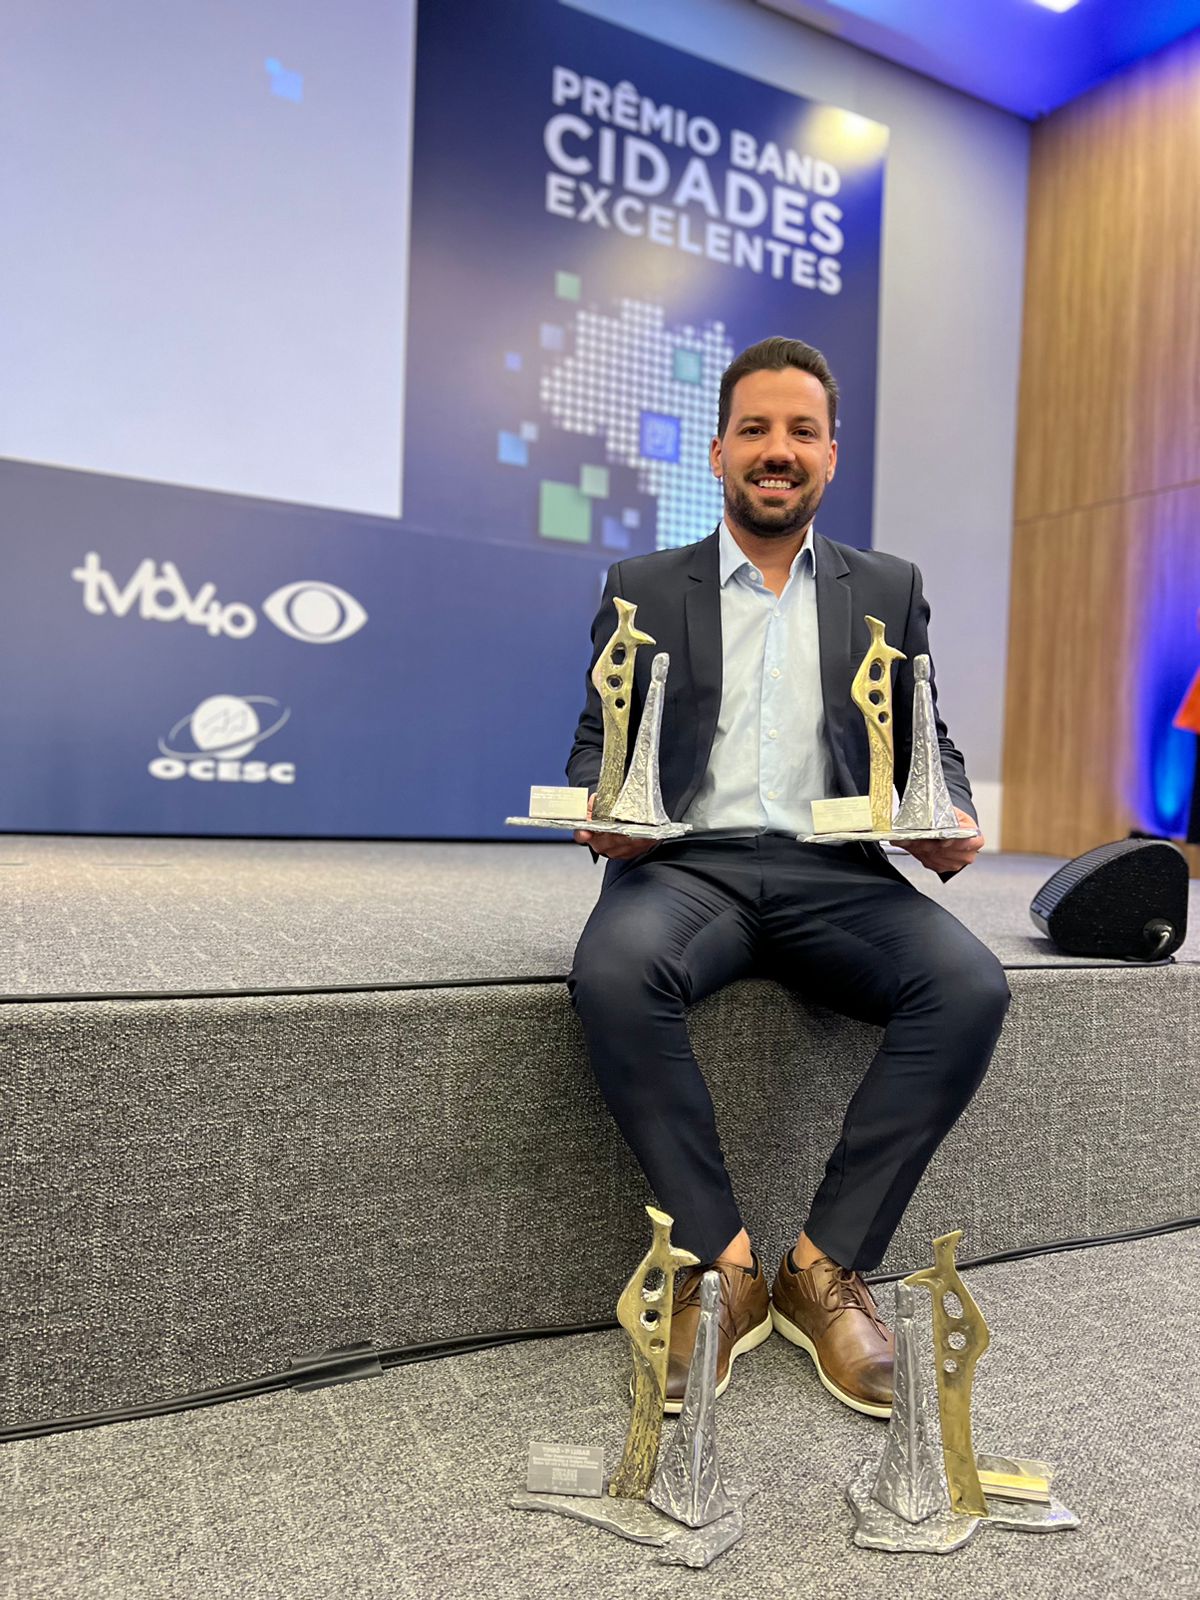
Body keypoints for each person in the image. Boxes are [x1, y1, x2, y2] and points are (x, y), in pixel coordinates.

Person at [565, 336, 1009, 1419]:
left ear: (830, 455)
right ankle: (721, 1266)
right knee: (613, 971)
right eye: (755, 429)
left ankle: (823, 1268)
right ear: (718, 451)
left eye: (802, 432)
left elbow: (928, 740)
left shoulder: (889, 588)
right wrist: (603, 809)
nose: (779, 449)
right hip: (688, 868)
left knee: (969, 986)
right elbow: (595, 744)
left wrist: (948, 813)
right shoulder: (640, 586)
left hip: (836, 873)